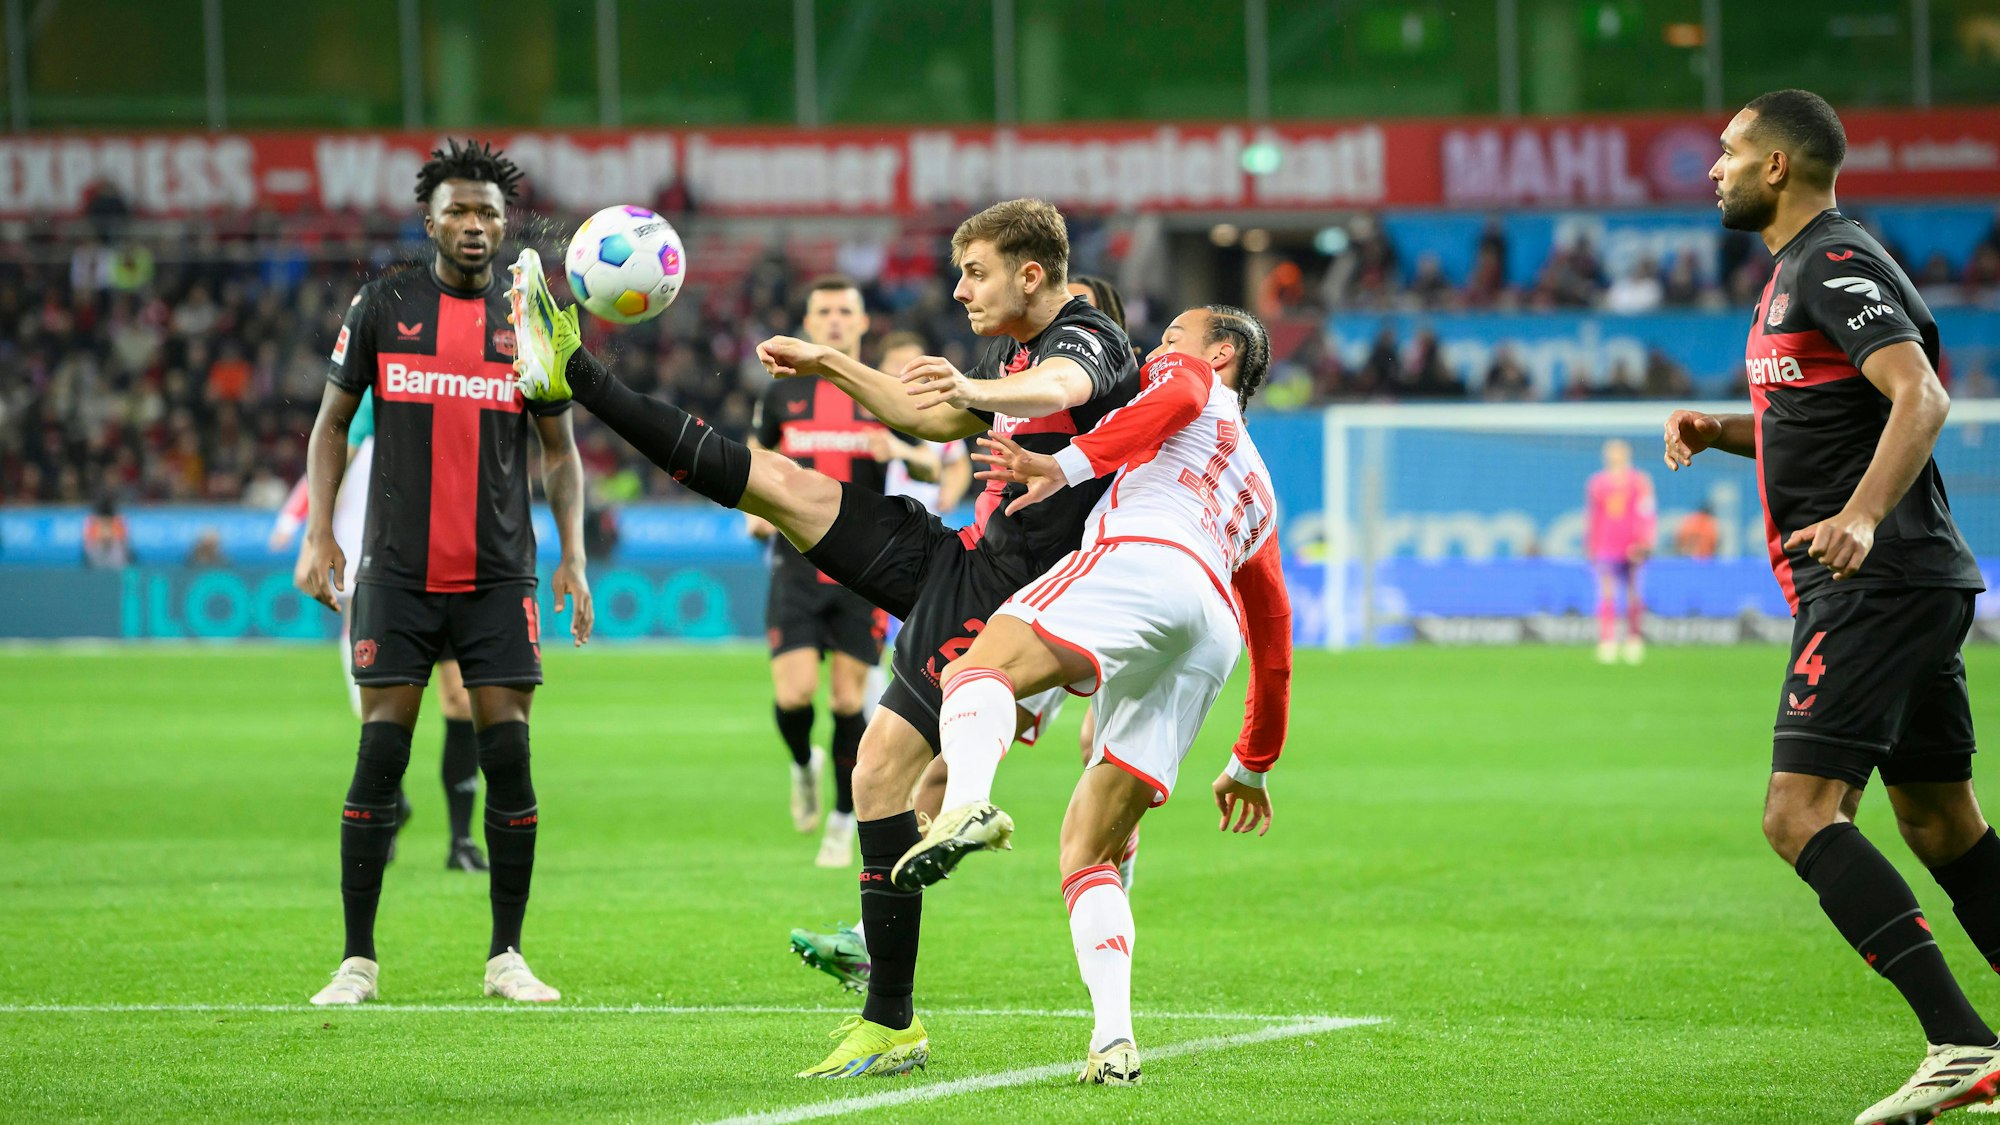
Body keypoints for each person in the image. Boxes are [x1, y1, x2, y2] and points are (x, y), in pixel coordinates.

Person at [508, 197, 1139, 1077]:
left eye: (975, 273)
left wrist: (975, 388)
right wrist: (834, 364)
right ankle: (576, 372)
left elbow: (1059, 393)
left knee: (878, 766)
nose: (959, 290)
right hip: (964, 558)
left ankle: (891, 1020)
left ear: (1032, 274)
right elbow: (931, 422)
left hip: (1018, 599)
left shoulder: (1093, 341)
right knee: (781, 486)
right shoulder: (1014, 347)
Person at [1667, 89, 2000, 1125]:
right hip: (1906, 580)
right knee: (1939, 821)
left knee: (1797, 813)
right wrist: (1721, 428)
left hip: (1872, 578)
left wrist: (1857, 517)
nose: (1710, 168)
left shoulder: (1832, 261)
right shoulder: (1791, 275)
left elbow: (1920, 396)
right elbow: (1823, 406)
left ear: (1776, 166)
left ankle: (1959, 1042)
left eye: (1726, 152)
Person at [894, 305, 1292, 1085]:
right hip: (1211, 626)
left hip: (1142, 556)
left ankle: (968, 801)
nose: (1157, 348)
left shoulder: (1186, 380)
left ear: (1223, 354)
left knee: (979, 667)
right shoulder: (1261, 489)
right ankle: (1114, 1040)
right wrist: (1253, 760)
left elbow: (1172, 398)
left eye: (1174, 335)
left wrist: (1067, 464)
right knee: (1090, 851)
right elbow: (1273, 630)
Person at [296, 139, 594, 1008]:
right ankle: (357, 960)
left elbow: (561, 453)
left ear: (506, 227)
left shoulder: (529, 314)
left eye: (489, 214)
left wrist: (573, 554)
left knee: (511, 758)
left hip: (501, 576)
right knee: (379, 756)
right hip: (396, 571)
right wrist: (320, 532)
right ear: (430, 218)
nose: (475, 225)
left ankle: (507, 955)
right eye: (459, 211)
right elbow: (328, 427)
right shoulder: (385, 302)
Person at [271, 389, 488, 873]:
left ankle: (461, 841)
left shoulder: (451, 378)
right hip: (380, 574)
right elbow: (333, 451)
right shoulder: (375, 390)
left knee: (459, 698)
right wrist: (302, 525)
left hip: (449, 562)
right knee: (383, 705)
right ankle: (390, 808)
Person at [745, 276, 896, 869]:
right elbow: (757, 459)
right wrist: (755, 510)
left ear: (862, 324)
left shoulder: (882, 393)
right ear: (809, 324)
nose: (834, 320)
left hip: (866, 573)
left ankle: (840, 818)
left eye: (845, 311)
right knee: (795, 693)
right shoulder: (782, 397)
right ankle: (803, 766)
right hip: (796, 563)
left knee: (846, 702)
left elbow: (930, 461)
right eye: (824, 311)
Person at [1584, 439, 1656, 664]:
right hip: (1607, 545)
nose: (1613, 457)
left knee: (1634, 593)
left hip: (1633, 545)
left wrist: (1644, 541)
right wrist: (1591, 545)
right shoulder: (1597, 484)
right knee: (1606, 593)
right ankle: (1607, 640)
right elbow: (1593, 517)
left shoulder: (1639, 481)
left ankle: (1633, 638)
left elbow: (1647, 513)